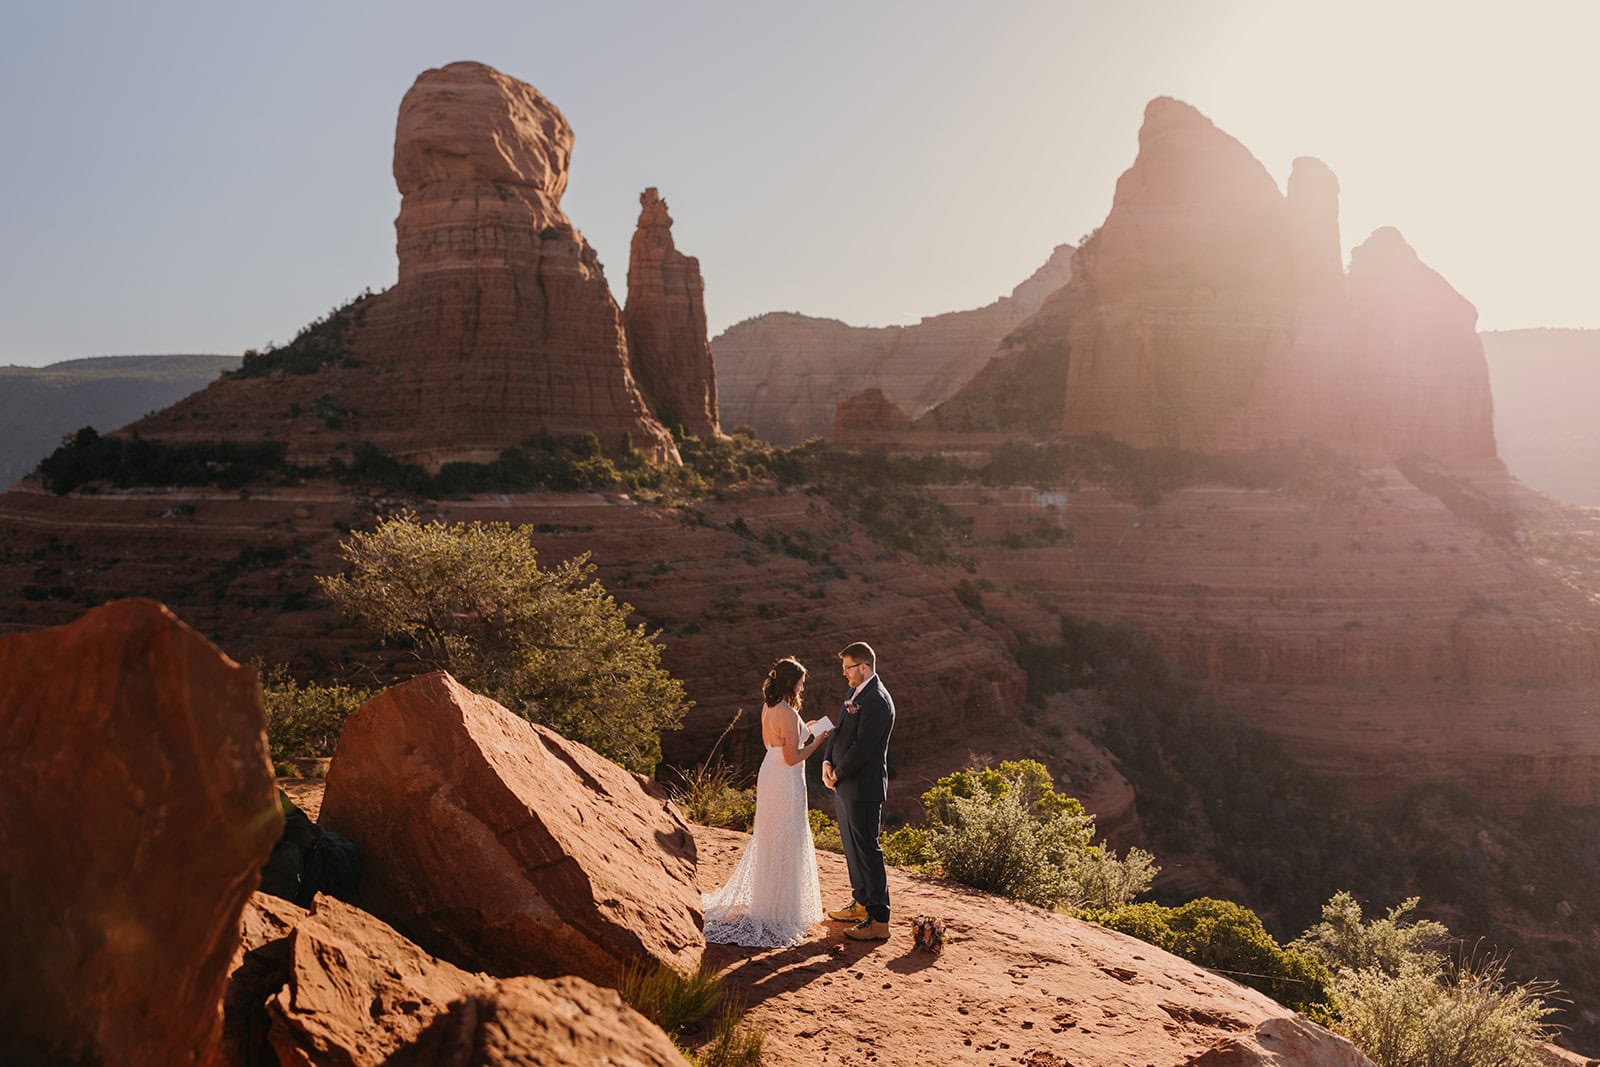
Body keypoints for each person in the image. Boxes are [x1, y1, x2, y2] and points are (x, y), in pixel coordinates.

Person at [701, 657, 834, 946]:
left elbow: (776, 744)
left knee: (774, 836)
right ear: (792, 682)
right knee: (787, 836)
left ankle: (771, 901)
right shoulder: (786, 711)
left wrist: (805, 730)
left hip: (771, 771)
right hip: (786, 779)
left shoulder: (771, 706)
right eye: (801, 680)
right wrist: (819, 740)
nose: (803, 685)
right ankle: (780, 909)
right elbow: (793, 757)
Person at [821, 641, 895, 941]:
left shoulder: (877, 700)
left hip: (863, 787)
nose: (844, 674)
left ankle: (879, 920)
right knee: (852, 847)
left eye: (847, 667)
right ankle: (861, 902)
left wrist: (838, 771)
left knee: (868, 850)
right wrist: (827, 760)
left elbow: (863, 748)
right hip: (845, 784)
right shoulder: (855, 693)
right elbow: (840, 731)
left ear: (863, 667)